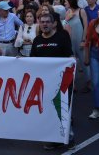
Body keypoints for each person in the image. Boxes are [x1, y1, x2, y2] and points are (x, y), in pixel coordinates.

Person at [30, 13, 75, 150]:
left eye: (47, 22)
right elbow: (32, 60)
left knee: (62, 109)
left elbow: (70, 56)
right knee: (49, 110)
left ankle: (69, 137)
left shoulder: (62, 37)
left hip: (62, 80)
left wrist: (72, 66)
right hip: (44, 83)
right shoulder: (37, 40)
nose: (44, 24)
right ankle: (54, 138)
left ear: (53, 23)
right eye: (42, 22)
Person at [64, 0, 90, 93]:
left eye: (66, 1)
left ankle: (89, 83)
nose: (65, 3)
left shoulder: (81, 11)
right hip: (70, 41)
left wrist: (83, 40)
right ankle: (72, 85)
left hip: (80, 40)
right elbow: (64, 26)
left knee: (85, 62)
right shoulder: (67, 12)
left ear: (70, 2)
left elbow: (86, 26)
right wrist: (67, 18)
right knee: (71, 63)